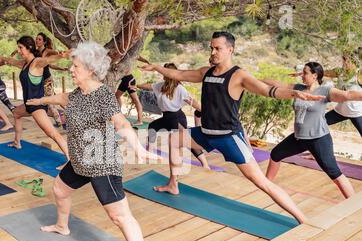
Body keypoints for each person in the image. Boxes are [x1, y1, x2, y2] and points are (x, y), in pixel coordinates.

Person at [139, 31, 325, 224]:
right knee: (173, 140)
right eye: (211, 48)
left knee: (261, 182)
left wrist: (294, 93)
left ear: (230, 50)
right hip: (205, 132)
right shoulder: (206, 72)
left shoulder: (239, 75)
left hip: (228, 137)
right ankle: (173, 184)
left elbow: (267, 90)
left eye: (217, 48)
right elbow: (178, 74)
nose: (213, 52)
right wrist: (156, 67)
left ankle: (303, 219)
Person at [27, 41, 159, 241]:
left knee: (119, 217)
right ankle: (62, 226)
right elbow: (61, 97)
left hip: (102, 163)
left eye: (75, 66)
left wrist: (139, 148)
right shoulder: (76, 95)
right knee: (60, 189)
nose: (71, 70)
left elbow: (122, 125)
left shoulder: (103, 96)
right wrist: (37, 101)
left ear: (89, 69)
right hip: (79, 160)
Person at [263, 62, 362, 198]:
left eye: (305, 73)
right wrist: (252, 80)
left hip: (318, 139)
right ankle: (266, 185)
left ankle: (351, 202)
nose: (302, 76)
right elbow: (280, 84)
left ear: (314, 76)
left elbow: (348, 95)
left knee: (334, 173)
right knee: (275, 154)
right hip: (299, 138)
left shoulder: (325, 91)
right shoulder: (298, 89)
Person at [0, 36, 69, 159]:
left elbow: (48, 60)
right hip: (28, 104)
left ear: (29, 47)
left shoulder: (36, 62)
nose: (19, 50)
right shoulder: (24, 64)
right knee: (17, 113)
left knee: (53, 133)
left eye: (20, 47)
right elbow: (10, 61)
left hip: (37, 105)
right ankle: (17, 142)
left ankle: (70, 160)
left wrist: (62, 56)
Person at [136, 62, 209, 168]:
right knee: (153, 126)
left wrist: (206, 112)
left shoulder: (179, 88)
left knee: (186, 140)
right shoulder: (160, 85)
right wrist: (136, 85)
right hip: (166, 118)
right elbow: (148, 86)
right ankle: (150, 152)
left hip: (177, 118)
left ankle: (205, 164)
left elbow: (192, 102)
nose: (163, 73)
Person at [291, 49, 362, 136]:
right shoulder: (340, 72)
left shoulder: (359, 74)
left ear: (355, 62)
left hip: (357, 112)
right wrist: (302, 74)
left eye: (348, 61)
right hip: (340, 111)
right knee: (316, 122)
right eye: (344, 60)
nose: (345, 63)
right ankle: (302, 140)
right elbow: (322, 73)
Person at [35, 32, 66, 127]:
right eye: (36, 39)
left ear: (44, 42)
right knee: (54, 100)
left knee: (50, 102)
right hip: (40, 81)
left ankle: (59, 121)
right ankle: (69, 113)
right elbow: (50, 65)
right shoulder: (35, 52)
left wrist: (60, 54)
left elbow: (55, 54)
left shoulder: (47, 51)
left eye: (39, 39)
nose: (37, 41)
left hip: (47, 81)